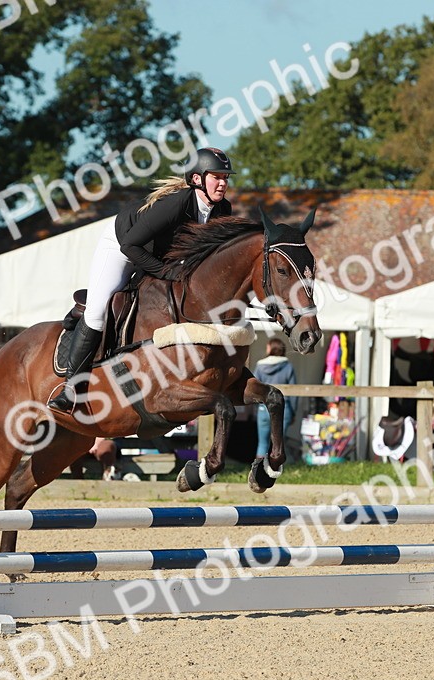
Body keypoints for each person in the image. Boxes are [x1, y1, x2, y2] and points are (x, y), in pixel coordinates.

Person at [49, 147, 235, 412]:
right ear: (197, 179)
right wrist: (164, 272)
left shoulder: (222, 209)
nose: (223, 183)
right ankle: (71, 390)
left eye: (226, 177)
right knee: (99, 312)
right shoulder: (175, 204)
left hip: (158, 253)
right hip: (122, 244)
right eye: (217, 176)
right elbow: (131, 246)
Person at [253, 338, 297, 458]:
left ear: (271, 348)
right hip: (284, 408)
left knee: (262, 443)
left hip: (264, 408)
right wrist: (293, 412)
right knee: (278, 444)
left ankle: (258, 470)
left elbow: (254, 388)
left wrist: (256, 407)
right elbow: (294, 391)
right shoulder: (288, 366)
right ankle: (275, 470)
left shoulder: (260, 366)